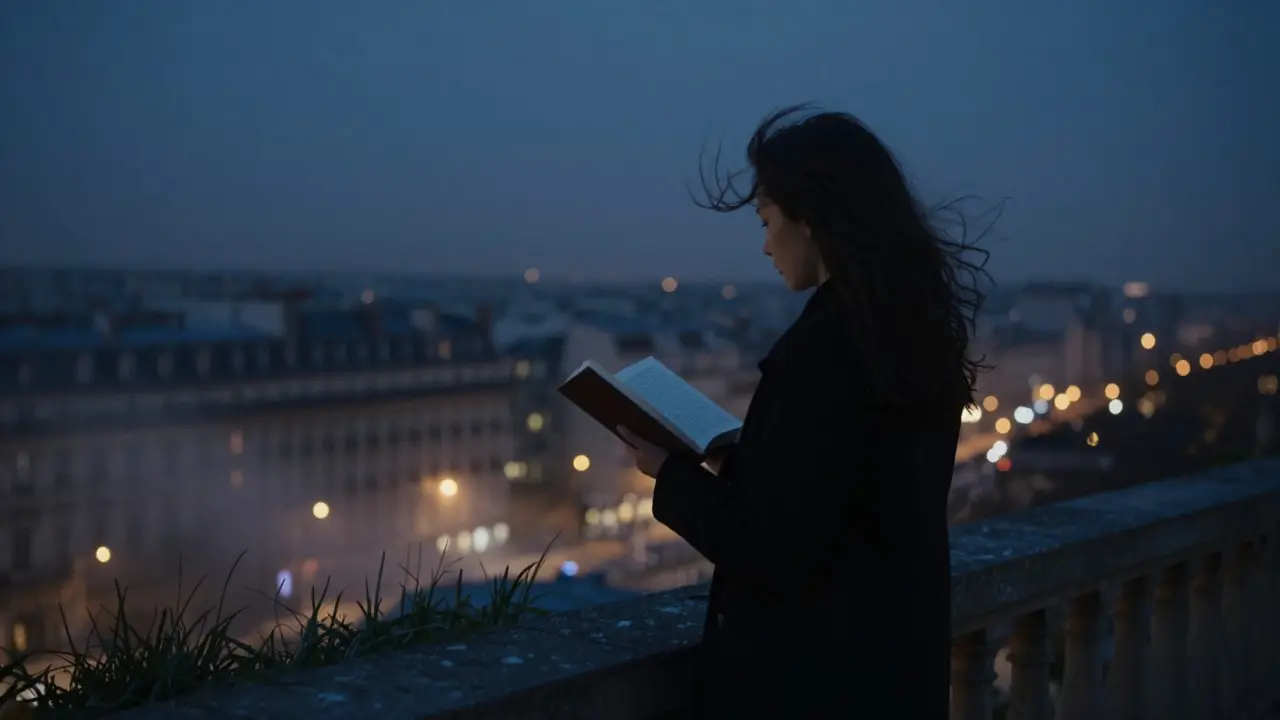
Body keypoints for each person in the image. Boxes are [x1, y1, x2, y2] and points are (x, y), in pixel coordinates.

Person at [617, 105, 994, 718]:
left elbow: (775, 546)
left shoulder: (825, 349)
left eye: (768, 220)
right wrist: (737, 461)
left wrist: (669, 474)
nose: (766, 244)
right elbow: (845, 499)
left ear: (811, 220)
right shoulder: (904, 335)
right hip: (888, 673)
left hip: (811, 684)